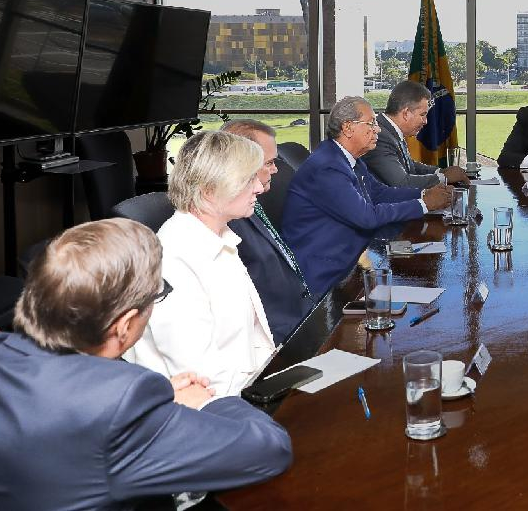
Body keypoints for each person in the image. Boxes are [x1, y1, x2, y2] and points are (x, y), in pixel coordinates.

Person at [0, 218, 292, 510]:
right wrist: (208, 402)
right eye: (157, 295)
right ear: (124, 325)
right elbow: (269, 449)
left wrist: (157, 403)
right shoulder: (120, 403)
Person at [125, 131, 276, 397]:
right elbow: (203, 380)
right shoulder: (174, 259)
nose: (260, 188)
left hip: (250, 392)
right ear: (209, 191)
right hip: (215, 414)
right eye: (248, 179)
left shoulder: (219, 238)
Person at [282, 97, 452, 295]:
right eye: (371, 123)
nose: (378, 129)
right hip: (324, 276)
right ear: (348, 128)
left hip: (351, 262)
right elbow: (367, 217)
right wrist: (423, 204)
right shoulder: (328, 167)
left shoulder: (348, 158)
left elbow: (379, 193)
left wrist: (424, 194)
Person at [222, 119, 316, 343]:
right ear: (242, 163)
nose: (276, 169)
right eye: (270, 162)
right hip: (280, 340)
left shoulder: (251, 205)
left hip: (304, 313)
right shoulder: (229, 220)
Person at [365, 80, 469, 188]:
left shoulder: (390, 129)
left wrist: (441, 171)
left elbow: (409, 165)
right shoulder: (379, 135)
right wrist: (444, 177)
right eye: (423, 114)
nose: (425, 121)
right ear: (406, 113)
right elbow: (402, 183)